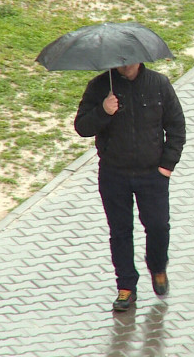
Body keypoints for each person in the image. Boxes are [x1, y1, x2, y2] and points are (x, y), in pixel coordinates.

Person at [74, 62, 185, 311]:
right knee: (120, 232)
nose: (125, 64)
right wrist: (103, 110)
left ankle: (157, 267)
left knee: (158, 226)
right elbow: (82, 127)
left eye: (130, 59)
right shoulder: (100, 86)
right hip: (114, 174)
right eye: (120, 60)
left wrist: (166, 166)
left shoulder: (159, 84)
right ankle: (126, 288)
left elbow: (176, 126)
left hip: (152, 174)